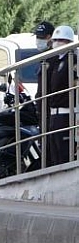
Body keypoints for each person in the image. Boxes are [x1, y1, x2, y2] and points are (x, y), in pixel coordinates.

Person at [43, 25, 76, 166]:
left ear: (69, 42)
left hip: (66, 114)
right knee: (55, 157)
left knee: (64, 156)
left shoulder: (73, 60)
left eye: (61, 40)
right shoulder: (56, 62)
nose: (57, 43)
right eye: (55, 40)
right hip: (54, 115)